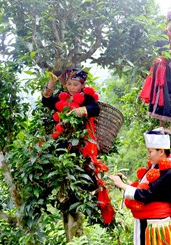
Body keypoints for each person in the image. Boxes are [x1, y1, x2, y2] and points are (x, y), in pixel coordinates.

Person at [42, 68, 115, 224]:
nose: (71, 87)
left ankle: (90, 197)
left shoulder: (86, 97)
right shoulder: (64, 99)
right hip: (65, 139)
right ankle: (64, 189)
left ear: (82, 85)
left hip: (83, 141)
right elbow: (47, 101)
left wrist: (79, 111)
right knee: (60, 157)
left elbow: (95, 109)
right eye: (69, 84)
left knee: (86, 167)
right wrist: (51, 83)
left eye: (75, 84)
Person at [109, 128, 171, 245]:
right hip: (146, 221)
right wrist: (126, 182)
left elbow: (148, 194)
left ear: (161, 152)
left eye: (150, 151)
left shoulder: (170, 173)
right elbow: (146, 188)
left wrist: (122, 185)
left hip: (157, 224)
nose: (148, 155)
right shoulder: (154, 167)